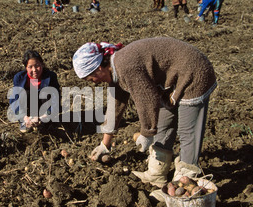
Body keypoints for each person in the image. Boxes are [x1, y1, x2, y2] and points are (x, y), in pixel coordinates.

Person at [72, 37, 217, 189]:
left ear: (99, 68)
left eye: (91, 78)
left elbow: (148, 99)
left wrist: (147, 132)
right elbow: (115, 106)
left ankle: (185, 183)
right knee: (164, 123)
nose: (93, 82)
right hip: (173, 78)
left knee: (188, 131)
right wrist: (104, 144)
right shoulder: (115, 70)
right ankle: (156, 173)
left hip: (193, 72)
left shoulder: (125, 66)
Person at [9, 50, 60, 133]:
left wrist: (43, 117)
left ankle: (45, 123)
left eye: (37, 66)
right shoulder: (19, 78)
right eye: (30, 67)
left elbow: (55, 100)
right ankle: (25, 122)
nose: (34, 70)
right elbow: (14, 100)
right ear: (26, 67)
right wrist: (24, 117)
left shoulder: (51, 76)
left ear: (42, 64)